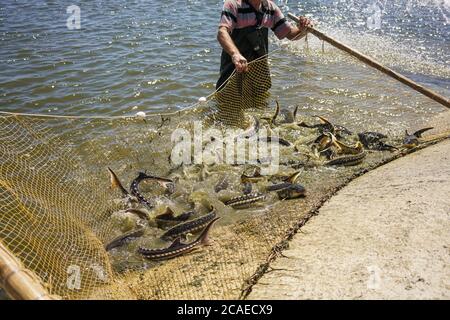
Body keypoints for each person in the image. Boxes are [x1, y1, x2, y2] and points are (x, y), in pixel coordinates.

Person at [216, 0, 313, 90]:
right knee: (226, 102)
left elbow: (290, 34)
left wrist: (302, 29)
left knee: (260, 103)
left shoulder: (270, 8)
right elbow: (222, 32)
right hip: (234, 66)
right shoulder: (233, 5)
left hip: (259, 70)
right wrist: (235, 54)